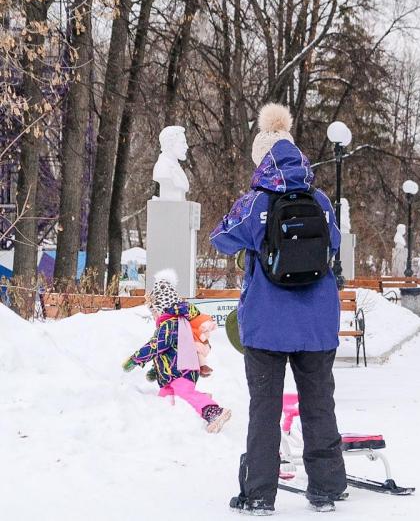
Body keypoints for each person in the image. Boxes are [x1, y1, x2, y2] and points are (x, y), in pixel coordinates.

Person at [210, 103, 346, 515]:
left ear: (261, 159)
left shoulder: (254, 203)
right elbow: (335, 243)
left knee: (264, 409)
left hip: (267, 325)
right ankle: (326, 488)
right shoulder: (320, 199)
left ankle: (258, 495)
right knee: (319, 403)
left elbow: (220, 239)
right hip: (318, 323)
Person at [122, 269, 231, 433]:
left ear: (160, 307)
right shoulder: (177, 321)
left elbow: (157, 345)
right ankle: (194, 404)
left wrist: (136, 359)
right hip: (173, 373)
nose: (153, 315)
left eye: (153, 311)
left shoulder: (169, 324)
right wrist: (155, 371)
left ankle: (213, 411)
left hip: (180, 371)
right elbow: (169, 351)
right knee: (165, 397)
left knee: (183, 392)